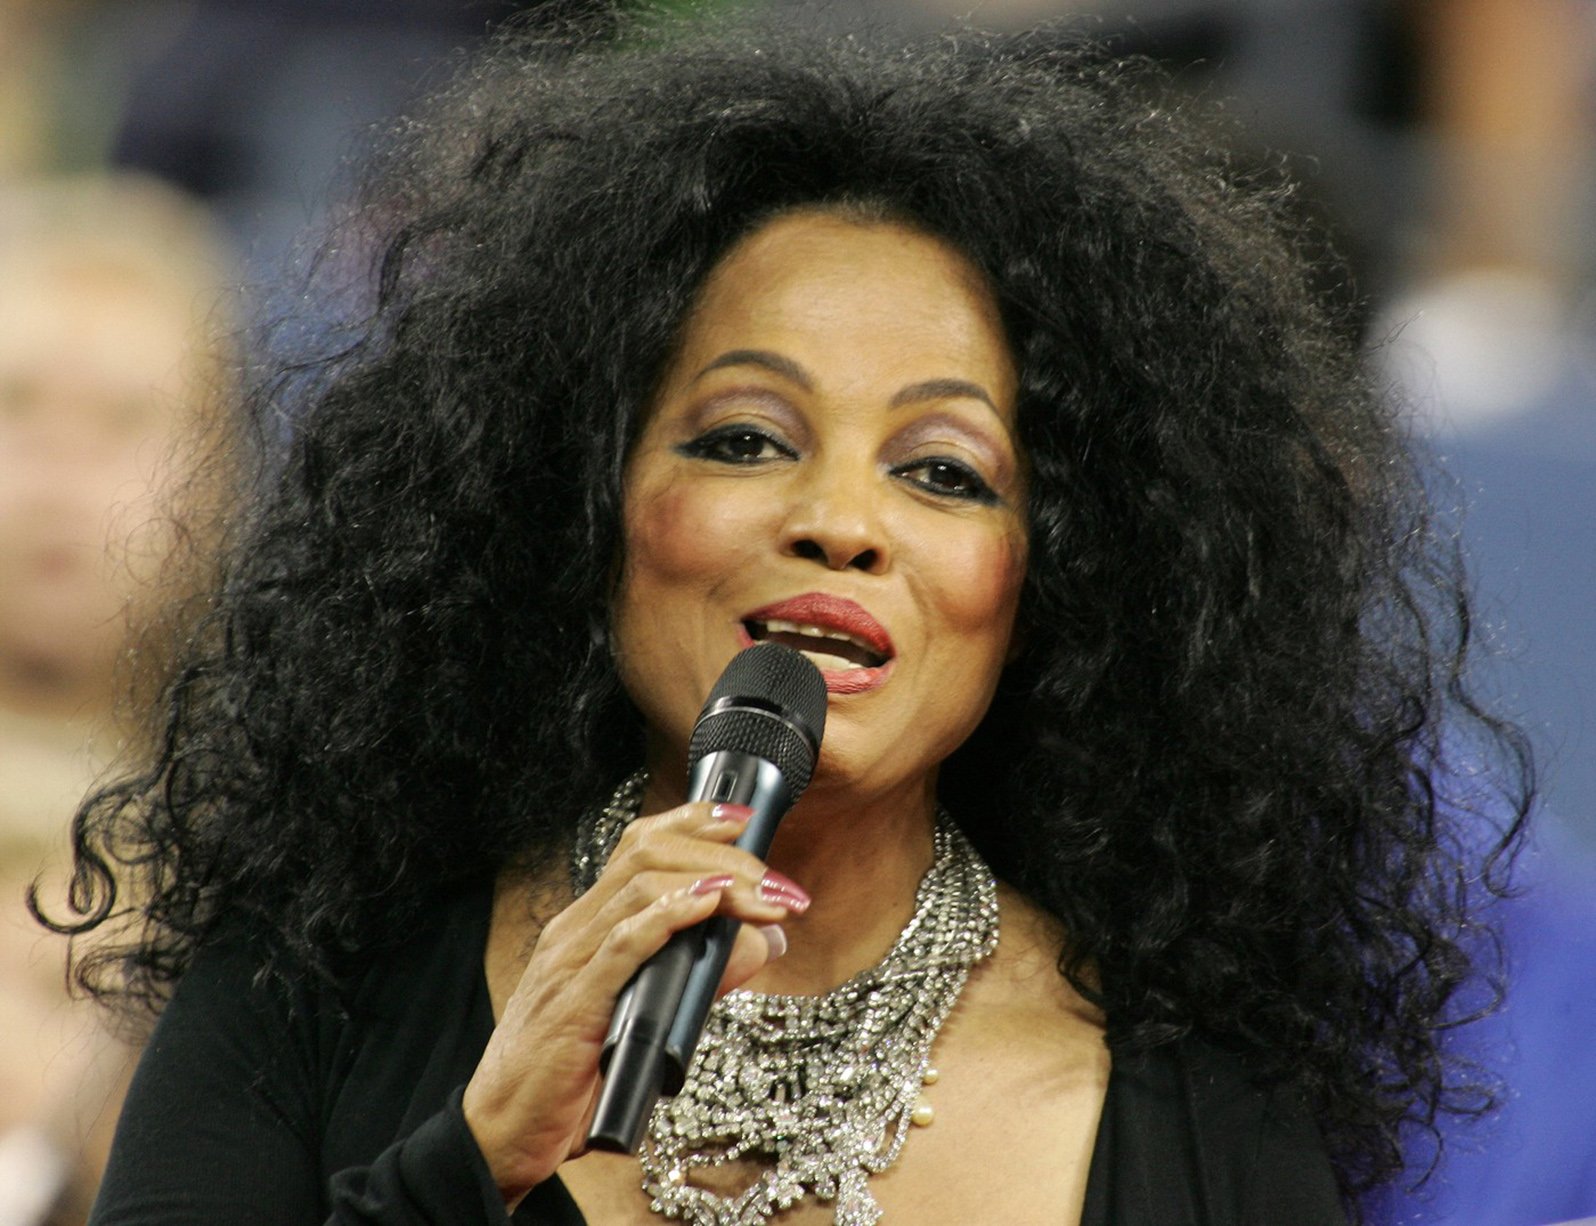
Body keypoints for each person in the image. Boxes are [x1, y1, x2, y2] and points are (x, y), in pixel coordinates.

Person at [46, 15, 1530, 1226]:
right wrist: (475, 1161)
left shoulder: (1198, 1102)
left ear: (1051, 581)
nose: (839, 519)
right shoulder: (310, 990)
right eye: (745, 438)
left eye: (944, 471)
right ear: (584, 503)